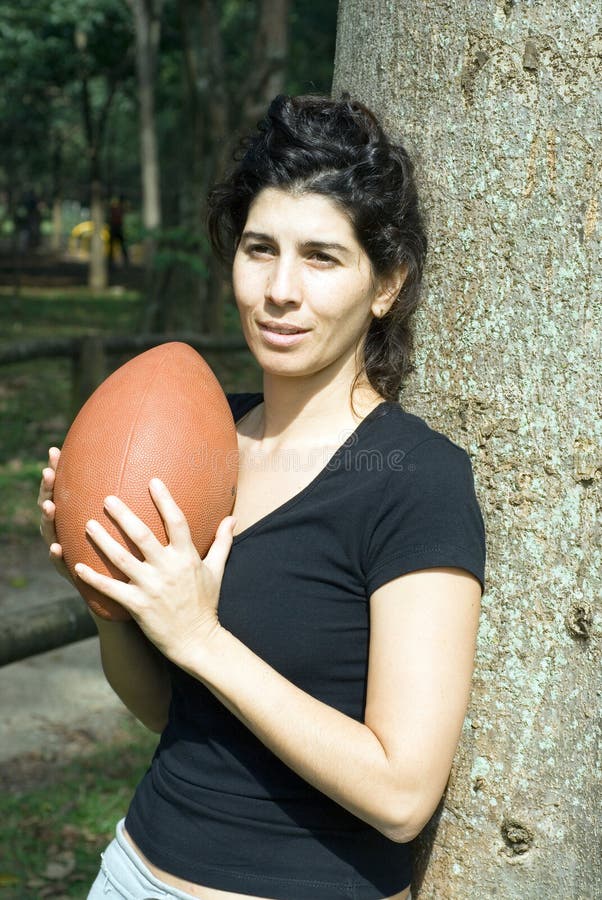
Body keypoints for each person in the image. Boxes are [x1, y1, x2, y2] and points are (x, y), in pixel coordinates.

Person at [38, 94, 486, 900]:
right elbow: (172, 715)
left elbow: (403, 795)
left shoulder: (419, 480)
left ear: (386, 285)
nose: (280, 290)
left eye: (322, 257)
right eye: (259, 248)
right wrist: (108, 598)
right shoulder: (204, 444)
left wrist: (203, 636)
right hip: (132, 869)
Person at [108, 194, 129, 266]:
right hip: (115, 227)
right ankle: (111, 259)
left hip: (117, 228)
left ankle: (125, 260)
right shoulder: (116, 208)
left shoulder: (118, 208)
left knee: (121, 245)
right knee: (113, 245)